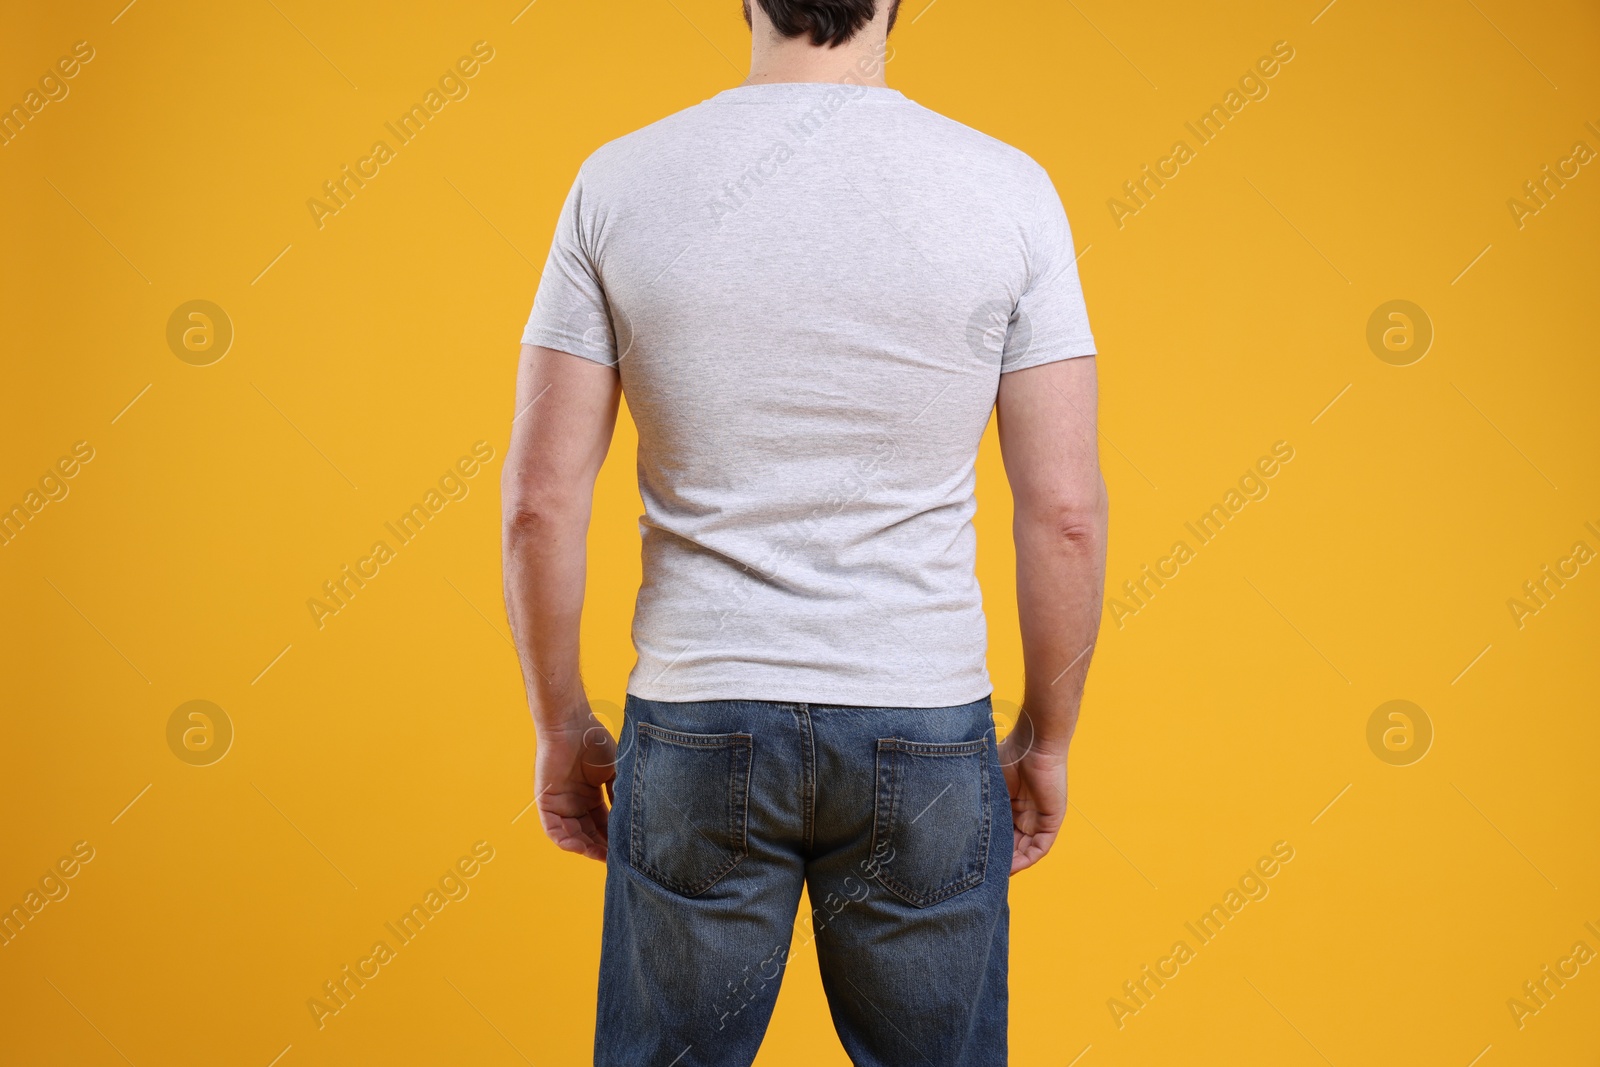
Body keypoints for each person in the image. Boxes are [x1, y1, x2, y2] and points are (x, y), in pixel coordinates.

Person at [501, 1, 1107, 1062]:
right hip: (920, 720)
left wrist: (562, 725)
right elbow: (1062, 513)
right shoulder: (1008, 188)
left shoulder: (621, 182)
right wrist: (1045, 739)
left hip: (696, 717)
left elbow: (539, 504)